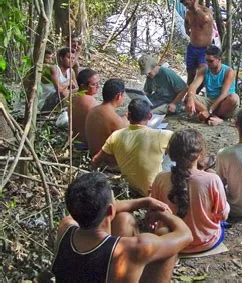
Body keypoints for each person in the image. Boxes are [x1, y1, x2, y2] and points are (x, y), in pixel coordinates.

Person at [51, 172, 193, 282]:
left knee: (124, 218)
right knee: (166, 236)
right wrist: (163, 215)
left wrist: (144, 202)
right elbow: (186, 235)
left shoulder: (65, 227)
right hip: (130, 251)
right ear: (110, 210)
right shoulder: (132, 249)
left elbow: (107, 207)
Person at [151, 129, 229, 253]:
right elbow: (222, 215)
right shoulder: (212, 179)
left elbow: (154, 211)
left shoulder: (160, 178)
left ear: (171, 154)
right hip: (205, 241)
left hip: (172, 241)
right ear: (200, 155)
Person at [92, 99, 173, 196]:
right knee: (178, 150)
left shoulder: (116, 135)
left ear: (128, 116)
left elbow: (95, 160)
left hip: (131, 187)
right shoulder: (162, 135)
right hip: (154, 191)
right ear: (150, 116)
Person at [185, 46, 239, 126]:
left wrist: (210, 110)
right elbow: (193, 86)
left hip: (224, 103)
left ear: (219, 60)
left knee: (234, 98)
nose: (208, 63)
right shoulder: (204, 70)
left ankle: (209, 115)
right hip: (210, 101)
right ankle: (214, 117)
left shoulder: (228, 71)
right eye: (206, 60)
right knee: (189, 97)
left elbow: (224, 94)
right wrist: (190, 98)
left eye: (211, 61)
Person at [85, 78, 128, 158]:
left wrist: (125, 118)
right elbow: (127, 138)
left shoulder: (93, 110)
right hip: (109, 164)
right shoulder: (114, 118)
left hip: (93, 155)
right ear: (119, 96)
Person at [180, 0, 214, 85]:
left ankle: (194, 93)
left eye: (187, 4)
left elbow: (206, 19)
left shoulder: (206, 11)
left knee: (203, 73)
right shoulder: (188, 13)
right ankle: (189, 95)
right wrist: (187, 29)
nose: (187, 6)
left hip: (204, 49)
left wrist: (196, 9)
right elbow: (186, 21)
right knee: (190, 73)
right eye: (185, 5)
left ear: (193, 0)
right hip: (192, 47)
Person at [41, 47, 78, 112]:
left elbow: (77, 89)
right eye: (69, 58)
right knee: (63, 92)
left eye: (73, 58)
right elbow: (59, 89)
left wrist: (69, 90)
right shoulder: (54, 69)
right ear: (61, 58)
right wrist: (69, 82)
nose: (72, 60)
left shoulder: (71, 71)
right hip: (45, 103)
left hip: (61, 101)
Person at [70, 69, 100, 147]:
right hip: (86, 144)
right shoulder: (90, 100)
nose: (98, 87)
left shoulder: (72, 95)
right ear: (83, 86)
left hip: (74, 139)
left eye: (98, 83)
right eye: (94, 84)